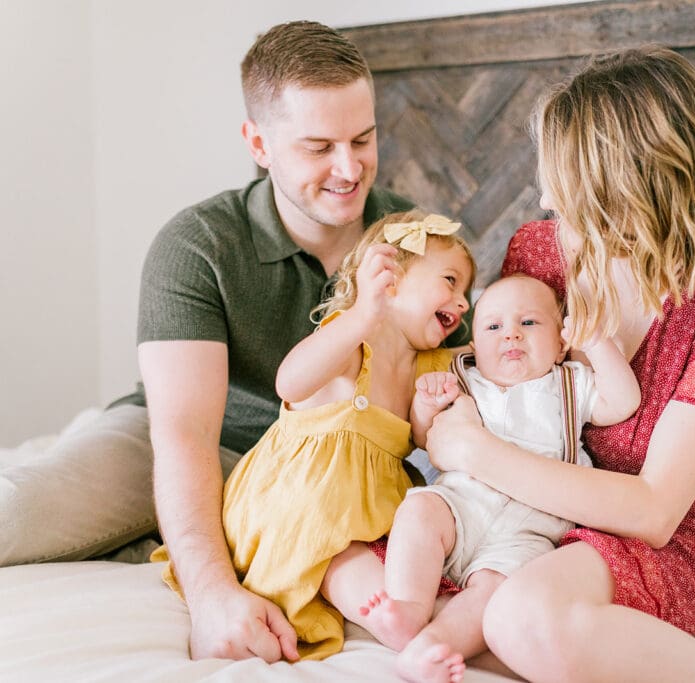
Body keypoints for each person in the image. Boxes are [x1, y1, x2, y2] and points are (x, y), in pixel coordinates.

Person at [0, 21, 460, 663]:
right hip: (199, 442)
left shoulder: (414, 241)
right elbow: (182, 435)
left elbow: (455, 383)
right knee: (20, 513)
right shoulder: (197, 245)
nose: (349, 168)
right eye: (319, 146)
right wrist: (211, 593)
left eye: (363, 138)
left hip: (332, 474)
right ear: (259, 143)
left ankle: (148, 539)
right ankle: (164, 533)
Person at [420, 46, 695, 682]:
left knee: (517, 618)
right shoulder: (541, 255)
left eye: (564, 181)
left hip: (661, 542)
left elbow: (654, 512)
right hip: (529, 520)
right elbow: (496, 390)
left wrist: (473, 453)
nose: (546, 194)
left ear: (623, 187)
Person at [154, 210, 475, 661]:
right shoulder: (352, 339)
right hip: (304, 497)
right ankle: (387, 618)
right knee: (339, 556)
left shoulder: (428, 365)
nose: (462, 304)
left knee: (404, 557)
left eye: (466, 293)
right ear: (391, 278)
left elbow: (433, 426)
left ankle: (415, 617)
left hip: (366, 507)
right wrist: (363, 314)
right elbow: (291, 383)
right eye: (450, 281)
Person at [334, 274, 640, 682]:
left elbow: (623, 402)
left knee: (496, 591)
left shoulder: (569, 384)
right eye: (494, 327)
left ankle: (433, 646)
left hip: (531, 525)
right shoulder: (466, 382)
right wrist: (427, 405)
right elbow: (428, 439)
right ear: (476, 348)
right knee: (419, 509)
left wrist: (597, 343)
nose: (511, 335)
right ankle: (408, 607)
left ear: (561, 342)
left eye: (529, 323)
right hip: (461, 504)